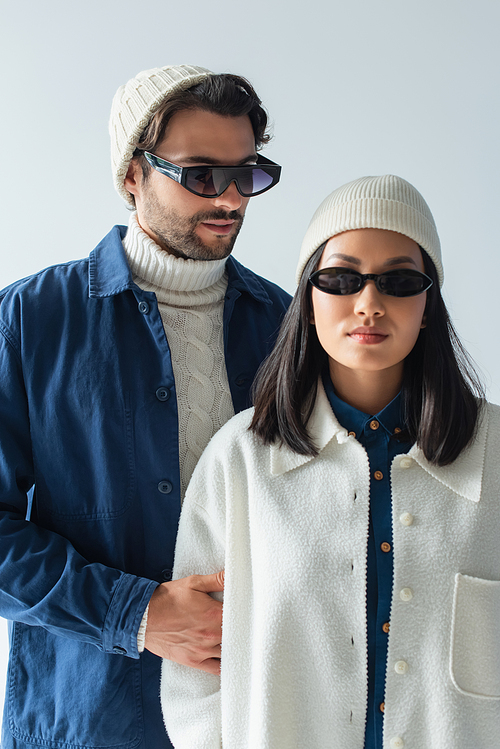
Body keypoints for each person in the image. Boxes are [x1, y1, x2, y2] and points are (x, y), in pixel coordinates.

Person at [0, 65, 291, 749]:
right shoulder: (31, 321)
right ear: (133, 175)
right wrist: (137, 612)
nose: (229, 198)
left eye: (245, 174)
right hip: (92, 718)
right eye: (199, 174)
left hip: (257, 712)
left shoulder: (290, 325)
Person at [161, 175, 500, 749]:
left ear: (428, 304)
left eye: (399, 281)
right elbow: (197, 674)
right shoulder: (241, 457)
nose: (369, 304)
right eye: (341, 279)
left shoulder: (493, 450)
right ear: (308, 301)